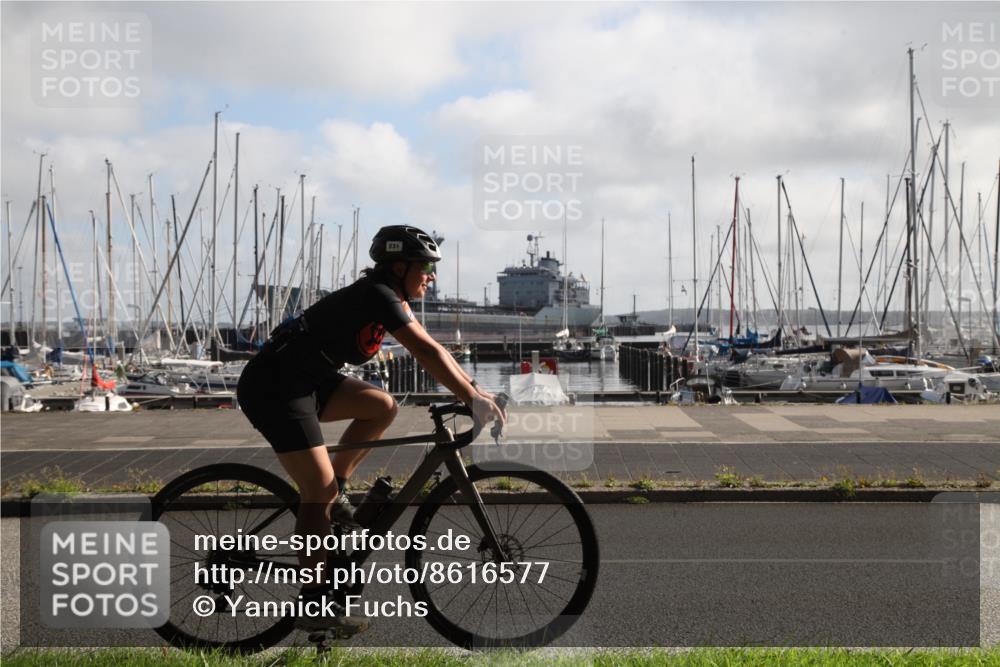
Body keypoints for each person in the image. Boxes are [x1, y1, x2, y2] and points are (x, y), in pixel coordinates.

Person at [236, 225, 505, 634]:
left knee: (381, 406)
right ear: (398, 267)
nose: (431, 276)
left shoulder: (391, 296)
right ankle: (313, 604)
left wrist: (475, 391)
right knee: (318, 491)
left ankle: (339, 494)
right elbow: (424, 350)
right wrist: (471, 398)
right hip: (275, 387)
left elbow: (434, 347)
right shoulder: (378, 294)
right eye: (425, 267)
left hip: (308, 380)